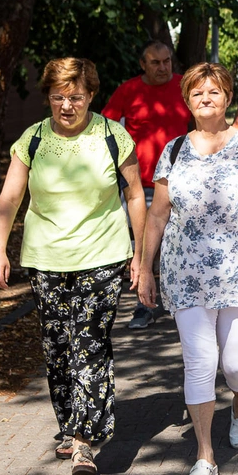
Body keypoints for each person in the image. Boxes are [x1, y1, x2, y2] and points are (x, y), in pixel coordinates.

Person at [0, 58, 148, 475]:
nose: (66, 105)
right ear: (47, 97)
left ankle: (83, 441)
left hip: (103, 255)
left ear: (91, 95)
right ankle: (69, 425)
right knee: (57, 348)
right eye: (58, 96)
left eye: (76, 97)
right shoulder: (33, 139)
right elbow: (9, 199)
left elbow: (136, 196)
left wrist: (140, 253)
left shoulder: (113, 136)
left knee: (89, 344)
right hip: (46, 260)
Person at [138, 62, 238, 475]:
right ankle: (204, 455)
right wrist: (145, 267)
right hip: (186, 271)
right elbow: (157, 216)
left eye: (214, 92)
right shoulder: (173, 151)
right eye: (197, 93)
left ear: (227, 97)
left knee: (237, 362)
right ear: (187, 101)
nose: (206, 99)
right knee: (200, 362)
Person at [101, 40, 190, 329]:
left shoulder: (184, 87)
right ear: (142, 65)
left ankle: (184, 304)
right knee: (146, 246)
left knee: (180, 244)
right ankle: (144, 306)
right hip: (142, 186)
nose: (163, 67)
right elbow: (103, 129)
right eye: (155, 62)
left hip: (182, 181)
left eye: (167, 61)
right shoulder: (128, 91)